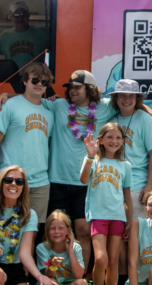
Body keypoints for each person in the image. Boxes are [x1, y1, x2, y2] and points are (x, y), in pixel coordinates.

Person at [45, 70, 119, 271]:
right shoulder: (59, 105)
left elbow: (132, 104)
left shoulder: (105, 107)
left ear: (90, 89)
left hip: (86, 182)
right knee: (55, 231)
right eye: (70, 87)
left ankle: (82, 279)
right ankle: (56, 277)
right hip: (58, 180)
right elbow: (30, 100)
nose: (72, 91)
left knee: (84, 232)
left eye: (77, 87)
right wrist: (5, 95)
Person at [0, 63, 55, 230]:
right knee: (4, 230)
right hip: (10, 180)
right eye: (35, 80)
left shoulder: (49, 112)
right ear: (25, 81)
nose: (39, 84)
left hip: (40, 183)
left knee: (32, 232)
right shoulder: (8, 106)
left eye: (44, 82)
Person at [81, 122, 134, 285]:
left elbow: (127, 196)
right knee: (101, 259)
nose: (114, 141)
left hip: (118, 218)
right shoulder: (93, 160)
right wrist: (89, 156)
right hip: (98, 216)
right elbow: (83, 179)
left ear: (123, 142)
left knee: (113, 263)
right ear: (101, 140)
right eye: (110, 137)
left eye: (118, 137)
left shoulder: (125, 165)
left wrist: (129, 220)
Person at [110, 79, 152, 217]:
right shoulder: (111, 119)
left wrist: (149, 186)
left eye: (131, 96)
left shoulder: (145, 119)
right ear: (116, 98)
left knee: (135, 228)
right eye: (122, 95)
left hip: (137, 186)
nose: (127, 99)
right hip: (112, 185)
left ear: (137, 98)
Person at [35, 210, 89, 285]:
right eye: (52, 228)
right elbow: (49, 275)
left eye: (60, 228)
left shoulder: (76, 247)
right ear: (47, 231)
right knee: (48, 284)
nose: (56, 232)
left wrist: (70, 251)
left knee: (82, 284)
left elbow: (79, 275)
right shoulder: (42, 248)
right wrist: (53, 265)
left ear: (68, 230)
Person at [0, 0, 49, 70]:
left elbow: (57, 52)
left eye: (23, 14)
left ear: (28, 15)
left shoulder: (42, 34)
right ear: (11, 17)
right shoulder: (3, 36)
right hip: (12, 77)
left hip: (35, 77)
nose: (20, 18)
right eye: (16, 16)